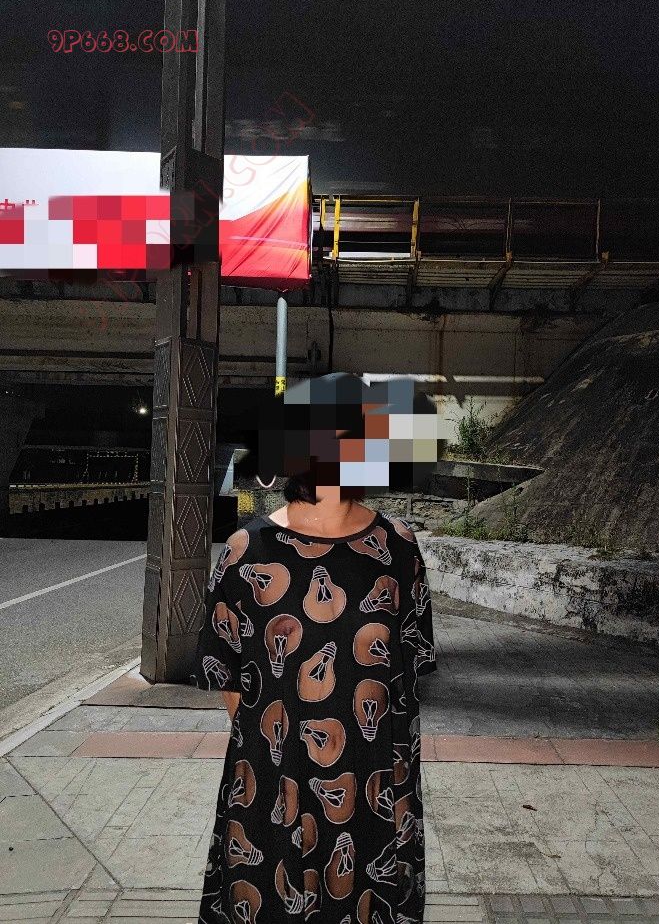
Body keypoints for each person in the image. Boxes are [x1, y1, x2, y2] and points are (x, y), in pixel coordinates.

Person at [191, 375, 438, 924]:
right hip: (272, 784)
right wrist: (283, 755)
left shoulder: (399, 549)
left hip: (375, 785)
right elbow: (230, 681)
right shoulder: (246, 552)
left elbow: (405, 678)